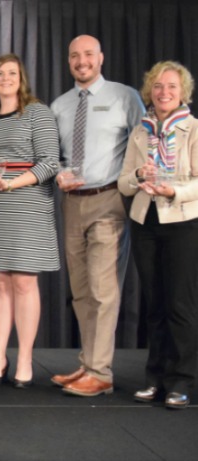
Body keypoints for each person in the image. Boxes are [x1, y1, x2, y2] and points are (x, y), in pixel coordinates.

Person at [50, 35, 144, 397]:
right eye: (74, 55)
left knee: (104, 290)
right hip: (72, 204)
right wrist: (59, 170)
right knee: (81, 292)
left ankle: (101, 371)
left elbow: (144, 143)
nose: (81, 61)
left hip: (110, 201)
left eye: (88, 54)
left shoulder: (125, 96)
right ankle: (88, 363)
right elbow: (54, 154)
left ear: (101, 57)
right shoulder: (60, 104)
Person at [0, 54, 60, 388]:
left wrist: (12, 182)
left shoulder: (38, 111)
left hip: (27, 204)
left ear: (21, 79)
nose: (5, 78)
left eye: (12, 73)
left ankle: (24, 358)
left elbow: (50, 162)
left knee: (23, 281)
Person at [118, 61, 198, 410]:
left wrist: (172, 192)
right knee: (154, 306)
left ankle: (181, 381)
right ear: (150, 91)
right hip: (144, 221)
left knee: (180, 305)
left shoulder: (193, 129)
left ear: (183, 93)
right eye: (158, 86)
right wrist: (139, 172)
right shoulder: (141, 131)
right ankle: (155, 378)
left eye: (172, 87)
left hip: (181, 222)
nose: (164, 92)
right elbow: (123, 182)